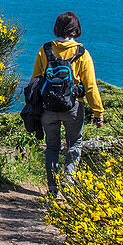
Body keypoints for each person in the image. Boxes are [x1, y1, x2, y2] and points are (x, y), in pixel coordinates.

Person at [31, 11, 105, 197]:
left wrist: (33, 108)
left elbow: (35, 81)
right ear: (76, 30)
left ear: (57, 28)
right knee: (74, 145)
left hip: (48, 108)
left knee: (52, 147)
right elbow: (90, 87)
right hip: (73, 107)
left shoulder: (45, 49)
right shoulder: (82, 53)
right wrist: (98, 112)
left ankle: (52, 187)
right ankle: (68, 186)